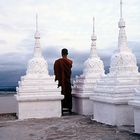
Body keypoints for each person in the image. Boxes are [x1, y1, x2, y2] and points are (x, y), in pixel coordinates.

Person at [54, 48, 73, 115]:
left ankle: (61, 109)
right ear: (67, 53)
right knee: (68, 94)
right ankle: (69, 109)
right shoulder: (70, 61)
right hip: (67, 81)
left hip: (61, 82)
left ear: (61, 54)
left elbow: (56, 72)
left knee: (62, 93)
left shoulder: (57, 62)